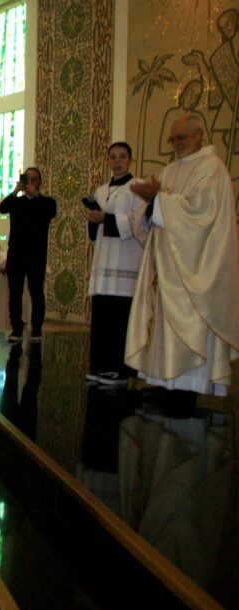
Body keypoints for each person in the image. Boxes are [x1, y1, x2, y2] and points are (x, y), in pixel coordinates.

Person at [126, 114, 239, 407]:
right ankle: (165, 382)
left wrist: (159, 200)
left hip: (195, 267)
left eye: (182, 138)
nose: (176, 143)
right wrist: (149, 205)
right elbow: (155, 216)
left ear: (199, 135)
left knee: (189, 327)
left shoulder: (211, 168)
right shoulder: (169, 171)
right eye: (173, 139)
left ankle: (188, 387)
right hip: (166, 267)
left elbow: (202, 213)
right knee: (164, 328)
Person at [85, 142, 145, 386]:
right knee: (101, 317)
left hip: (125, 262)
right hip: (103, 261)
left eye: (122, 156)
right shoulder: (101, 191)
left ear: (130, 159)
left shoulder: (138, 188)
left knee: (119, 319)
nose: (117, 161)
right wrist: (93, 219)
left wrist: (107, 218)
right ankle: (100, 365)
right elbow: (93, 234)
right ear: (107, 160)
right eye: (113, 157)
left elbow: (139, 222)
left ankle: (118, 370)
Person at [0, 167, 57, 343]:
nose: (29, 182)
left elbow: (51, 212)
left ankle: (36, 329)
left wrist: (35, 195)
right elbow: (2, 208)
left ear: (40, 182)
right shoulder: (16, 202)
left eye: (33, 179)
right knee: (15, 293)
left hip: (36, 255)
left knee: (36, 292)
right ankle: (16, 328)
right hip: (16, 254)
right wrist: (15, 191)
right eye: (26, 179)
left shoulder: (46, 202)